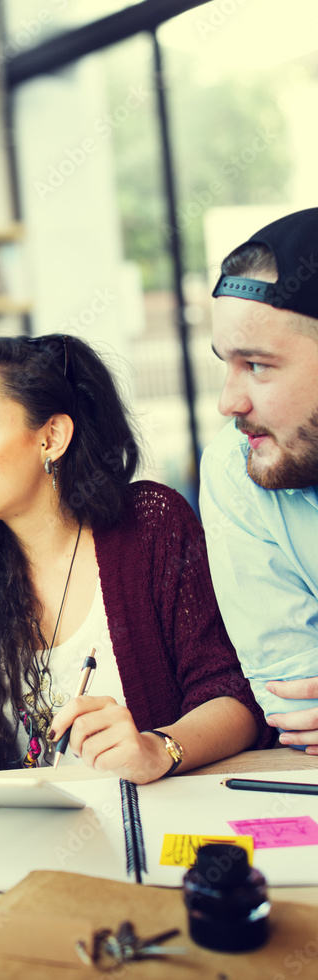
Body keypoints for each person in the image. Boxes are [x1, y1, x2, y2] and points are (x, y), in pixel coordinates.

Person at [0, 334, 271, 839]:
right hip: (6, 843)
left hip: (150, 832)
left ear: (51, 437)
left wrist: (158, 747)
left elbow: (232, 693)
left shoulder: (152, 526)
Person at [200, 207, 318, 753]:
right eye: (226, 363)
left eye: (259, 365)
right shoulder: (237, 467)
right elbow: (297, 706)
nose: (229, 402)